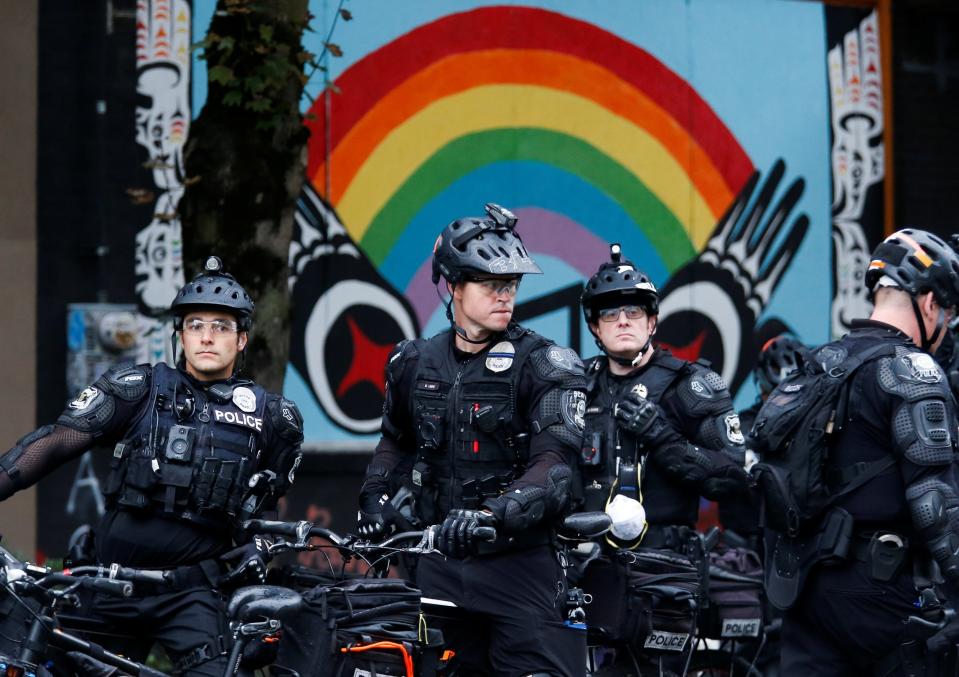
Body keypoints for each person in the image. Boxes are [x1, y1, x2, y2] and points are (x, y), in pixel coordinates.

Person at [0, 256, 304, 676]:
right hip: (107, 582)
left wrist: (258, 551)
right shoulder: (138, 389)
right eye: (195, 325)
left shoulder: (273, 419)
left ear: (243, 339)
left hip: (190, 594)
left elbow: (265, 508)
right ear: (179, 334)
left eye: (221, 326)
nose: (207, 337)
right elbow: (55, 443)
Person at [356, 203, 588, 677]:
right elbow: (395, 441)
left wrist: (491, 514)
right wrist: (373, 496)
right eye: (491, 284)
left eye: (512, 285)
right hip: (438, 563)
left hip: (520, 568)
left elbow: (556, 465)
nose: (505, 295)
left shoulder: (546, 363)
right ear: (454, 286)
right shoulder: (412, 362)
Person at [774, 229, 959, 675]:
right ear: (930, 302)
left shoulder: (819, 364)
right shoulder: (913, 371)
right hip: (881, 595)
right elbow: (936, 505)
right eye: (948, 314)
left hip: (803, 588)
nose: (945, 328)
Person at [576, 243, 749, 670]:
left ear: (652, 321)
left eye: (633, 312)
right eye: (610, 314)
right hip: (587, 573)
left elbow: (731, 477)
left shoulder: (692, 385)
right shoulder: (574, 386)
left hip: (665, 575)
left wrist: (661, 435)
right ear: (595, 328)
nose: (622, 321)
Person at [721, 334, 810, 548]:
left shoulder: (817, 427)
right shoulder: (743, 426)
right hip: (748, 547)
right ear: (762, 390)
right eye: (776, 396)